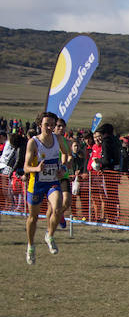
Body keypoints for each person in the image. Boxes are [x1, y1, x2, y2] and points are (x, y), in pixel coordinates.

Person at [23, 112, 64, 264]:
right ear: (40, 125)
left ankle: (49, 235)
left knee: (58, 208)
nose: (50, 127)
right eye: (47, 124)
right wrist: (36, 169)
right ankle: (30, 246)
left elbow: (68, 155)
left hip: (52, 182)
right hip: (37, 184)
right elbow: (26, 167)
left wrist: (64, 168)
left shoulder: (58, 139)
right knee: (33, 218)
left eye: (52, 125)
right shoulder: (33, 143)